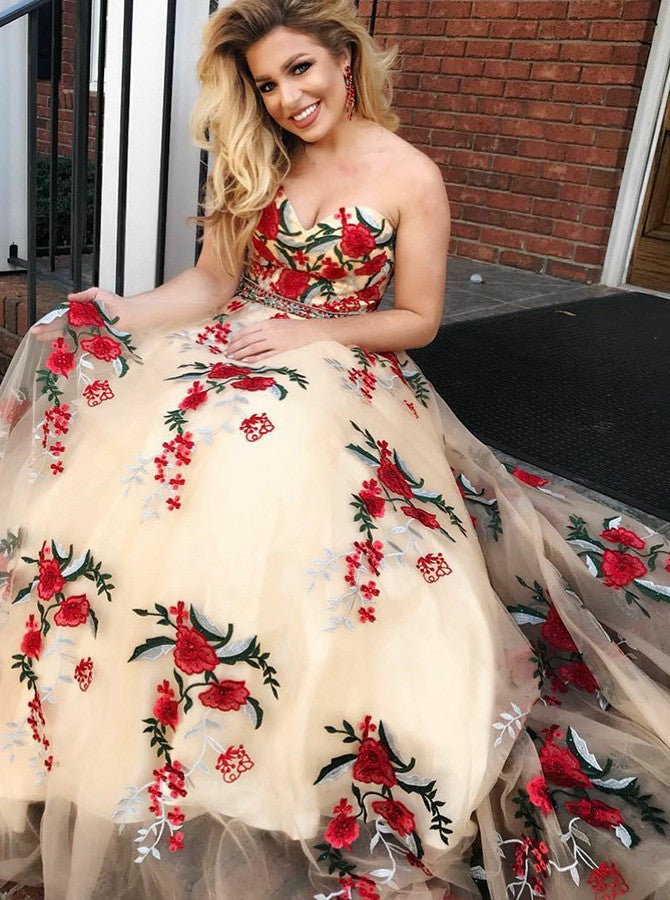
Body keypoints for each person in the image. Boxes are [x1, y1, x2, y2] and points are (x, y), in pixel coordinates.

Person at [0, 0, 669, 897]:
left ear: (345, 60)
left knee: (264, 463)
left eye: (300, 71)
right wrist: (110, 310)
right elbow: (207, 284)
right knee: (155, 463)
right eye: (267, 84)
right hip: (229, 343)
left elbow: (419, 318)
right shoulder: (259, 157)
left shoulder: (411, 175)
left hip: (341, 365)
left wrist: (314, 335)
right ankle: (113, 729)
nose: (286, 98)